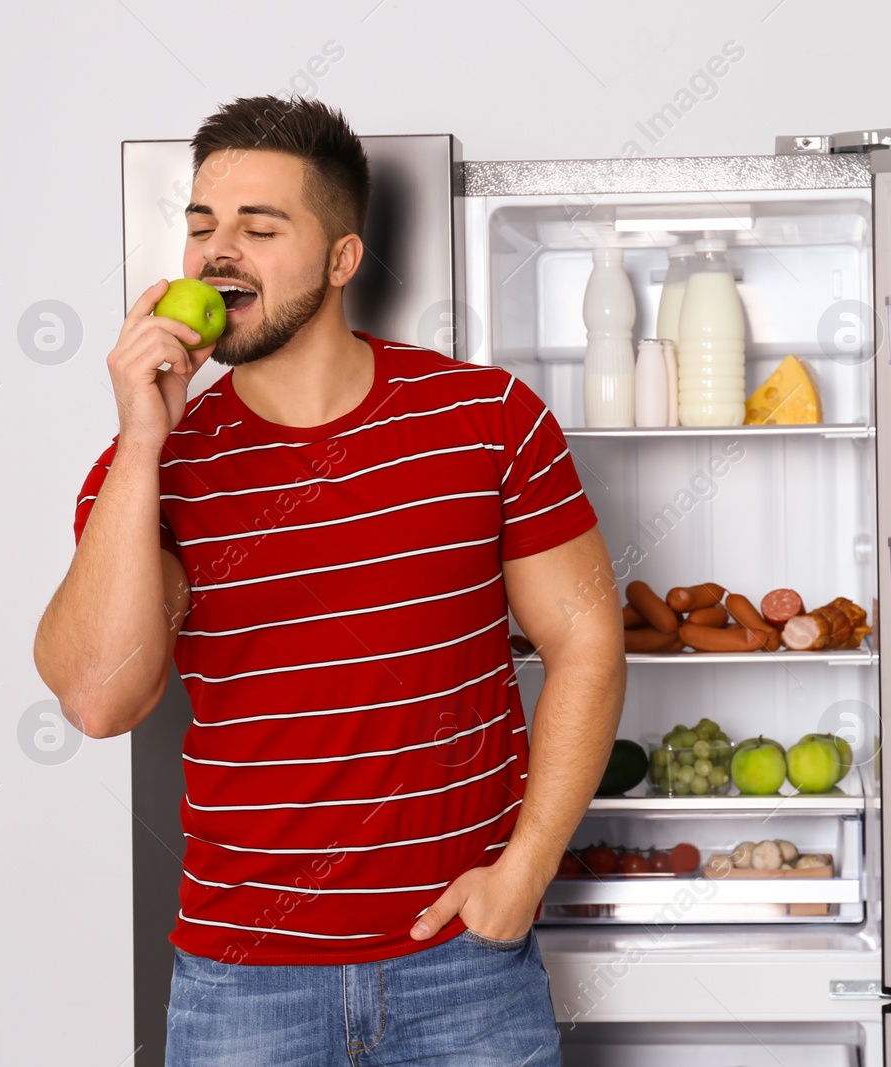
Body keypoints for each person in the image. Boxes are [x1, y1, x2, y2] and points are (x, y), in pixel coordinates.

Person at [33, 94, 625, 1066]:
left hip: (464, 967)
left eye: (259, 228)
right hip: (243, 983)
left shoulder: (485, 419)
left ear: (342, 259)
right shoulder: (152, 469)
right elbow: (98, 696)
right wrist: (143, 440)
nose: (218, 253)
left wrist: (525, 869)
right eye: (201, 225)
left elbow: (586, 641)